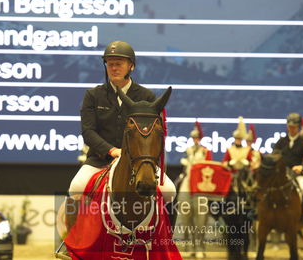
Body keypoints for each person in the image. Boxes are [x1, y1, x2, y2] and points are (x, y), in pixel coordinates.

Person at [69, 40, 176, 203]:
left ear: (131, 66)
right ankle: (78, 229)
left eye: (118, 64)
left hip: (139, 162)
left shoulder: (146, 96)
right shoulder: (93, 95)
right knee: (76, 188)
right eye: (110, 64)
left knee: (169, 192)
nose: (113, 68)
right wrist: (112, 151)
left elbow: (152, 133)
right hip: (100, 161)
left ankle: (163, 229)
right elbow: (88, 132)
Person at [175, 122, 212, 258]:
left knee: (201, 219)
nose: (195, 140)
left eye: (197, 138)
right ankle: (190, 245)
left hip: (200, 185)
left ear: (200, 139)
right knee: (186, 217)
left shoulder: (205, 151)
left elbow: (209, 167)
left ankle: (200, 247)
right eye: (193, 138)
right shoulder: (189, 150)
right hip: (188, 181)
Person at [273, 113, 303, 224]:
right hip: (281, 173)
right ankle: (258, 211)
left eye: (293, 127)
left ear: (298, 127)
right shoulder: (281, 141)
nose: (291, 129)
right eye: (289, 126)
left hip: (296, 174)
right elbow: (274, 154)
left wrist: (301, 167)